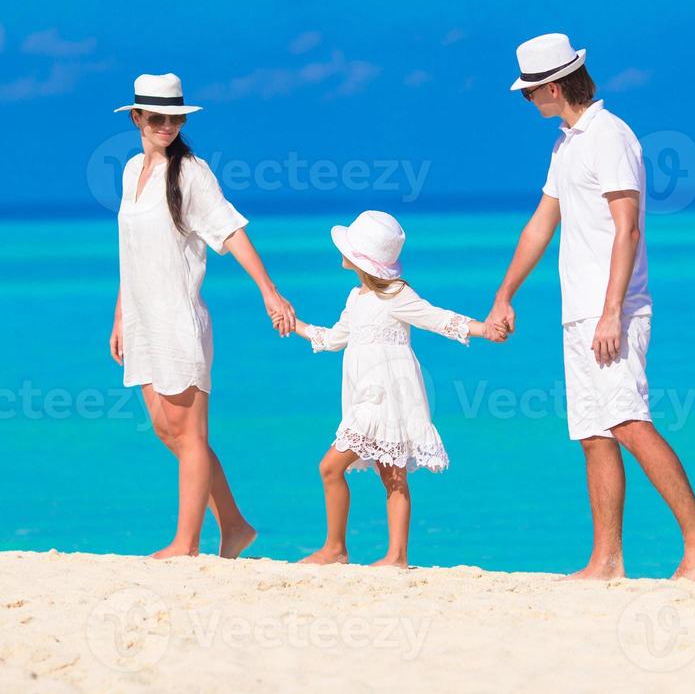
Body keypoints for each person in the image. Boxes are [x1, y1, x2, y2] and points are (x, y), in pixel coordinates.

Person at [484, 34, 695, 581]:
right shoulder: (566, 143)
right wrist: (505, 295)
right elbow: (541, 225)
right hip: (579, 313)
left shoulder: (609, 136)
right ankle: (606, 561)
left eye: (529, 93)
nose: (527, 102)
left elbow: (628, 227)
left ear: (552, 86)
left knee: (628, 420)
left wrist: (612, 310)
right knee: (594, 432)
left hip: (613, 311)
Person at [108, 72, 296, 560]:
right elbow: (132, 251)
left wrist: (269, 292)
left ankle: (185, 545)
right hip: (143, 319)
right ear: (136, 119)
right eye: (157, 118)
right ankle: (233, 526)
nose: (167, 125)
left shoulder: (191, 173)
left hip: (177, 319)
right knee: (166, 430)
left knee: (190, 434)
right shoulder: (130, 172)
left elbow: (230, 232)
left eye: (175, 117)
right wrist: (120, 314)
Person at [283, 210, 504, 567]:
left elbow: (439, 318)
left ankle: (342, 550)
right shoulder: (356, 298)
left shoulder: (397, 295)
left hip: (386, 400)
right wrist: (296, 326)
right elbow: (334, 338)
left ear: (360, 258)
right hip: (364, 399)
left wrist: (484, 329)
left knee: (334, 468)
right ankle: (391, 556)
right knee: (390, 475)